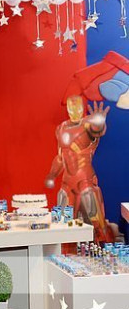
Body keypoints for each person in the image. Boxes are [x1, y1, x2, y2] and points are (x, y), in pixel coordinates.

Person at [45, 96, 114, 242]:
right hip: (67, 182)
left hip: (84, 179)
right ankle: (66, 252)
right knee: (63, 221)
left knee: (93, 216)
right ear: (68, 109)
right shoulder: (61, 128)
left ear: (82, 108)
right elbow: (60, 157)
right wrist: (52, 174)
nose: (75, 111)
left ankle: (100, 248)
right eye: (72, 107)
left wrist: (99, 123)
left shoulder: (88, 124)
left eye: (78, 107)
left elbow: (96, 131)